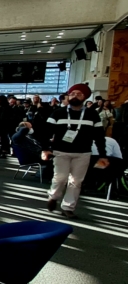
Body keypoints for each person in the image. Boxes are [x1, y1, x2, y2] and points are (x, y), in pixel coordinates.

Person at [43, 83, 108, 219]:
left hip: (83, 153)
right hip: (60, 151)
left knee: (76, 181)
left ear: (84, 97)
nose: (74, 96)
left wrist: (103, 155)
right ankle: (53, 196)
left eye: (78, 94)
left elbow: (100, 137)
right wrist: (45, 149)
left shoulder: (92, 114)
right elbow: (46, 132)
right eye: (72, 94)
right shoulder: (58, 112)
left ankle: (68, 207)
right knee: (60, 178)